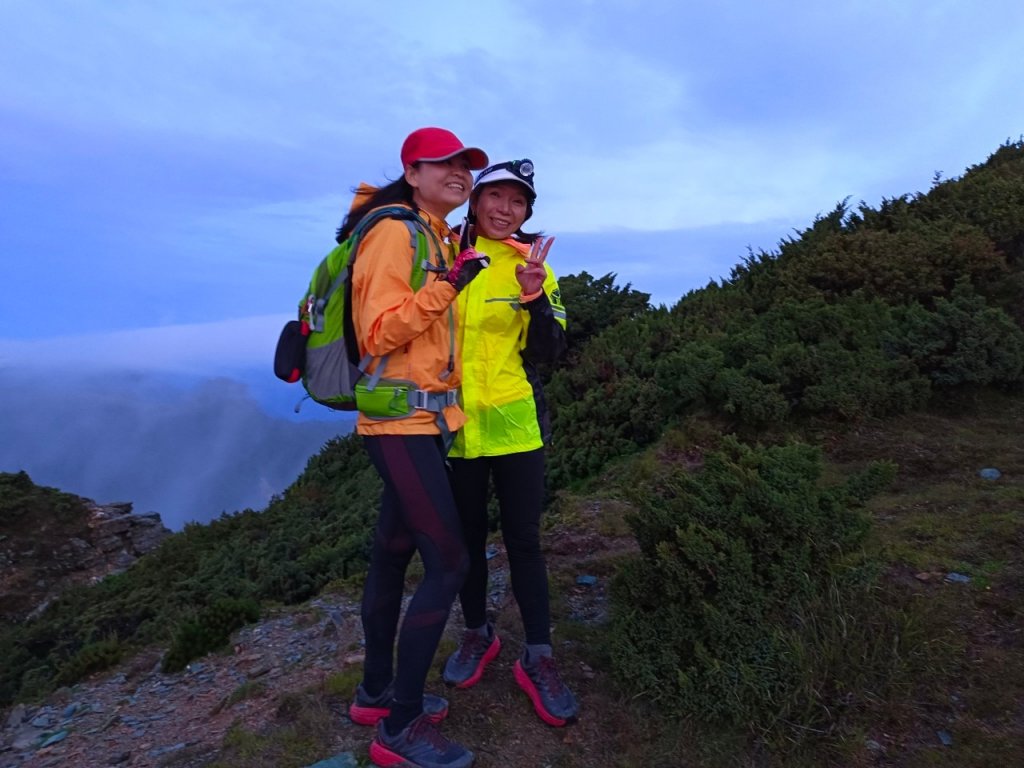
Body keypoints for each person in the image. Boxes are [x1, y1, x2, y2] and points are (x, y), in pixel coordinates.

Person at [343, 127, 490, 768]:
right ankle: (399, 729)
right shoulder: (393, 232)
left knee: (393, 551)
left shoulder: (435, 231)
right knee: (450, 564)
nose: (460, 173)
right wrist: (447, 286)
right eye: (446, 164)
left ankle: (376, 692)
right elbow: (377, 332)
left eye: (467, 166)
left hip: (423, 420)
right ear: (413, 168)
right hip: (399, 423)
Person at [441, 159, 578, 727]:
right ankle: (478, 634)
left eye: (517, 202)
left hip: (517, 425)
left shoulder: (535, 267)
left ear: (527, 213)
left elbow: (552, 352)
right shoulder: (443, 256)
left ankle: (539, 657)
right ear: (474, 202)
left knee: (524, 540)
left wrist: (533, 298)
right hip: (453, 427)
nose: (504, 208)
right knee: (465, 539)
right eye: (494, 196)